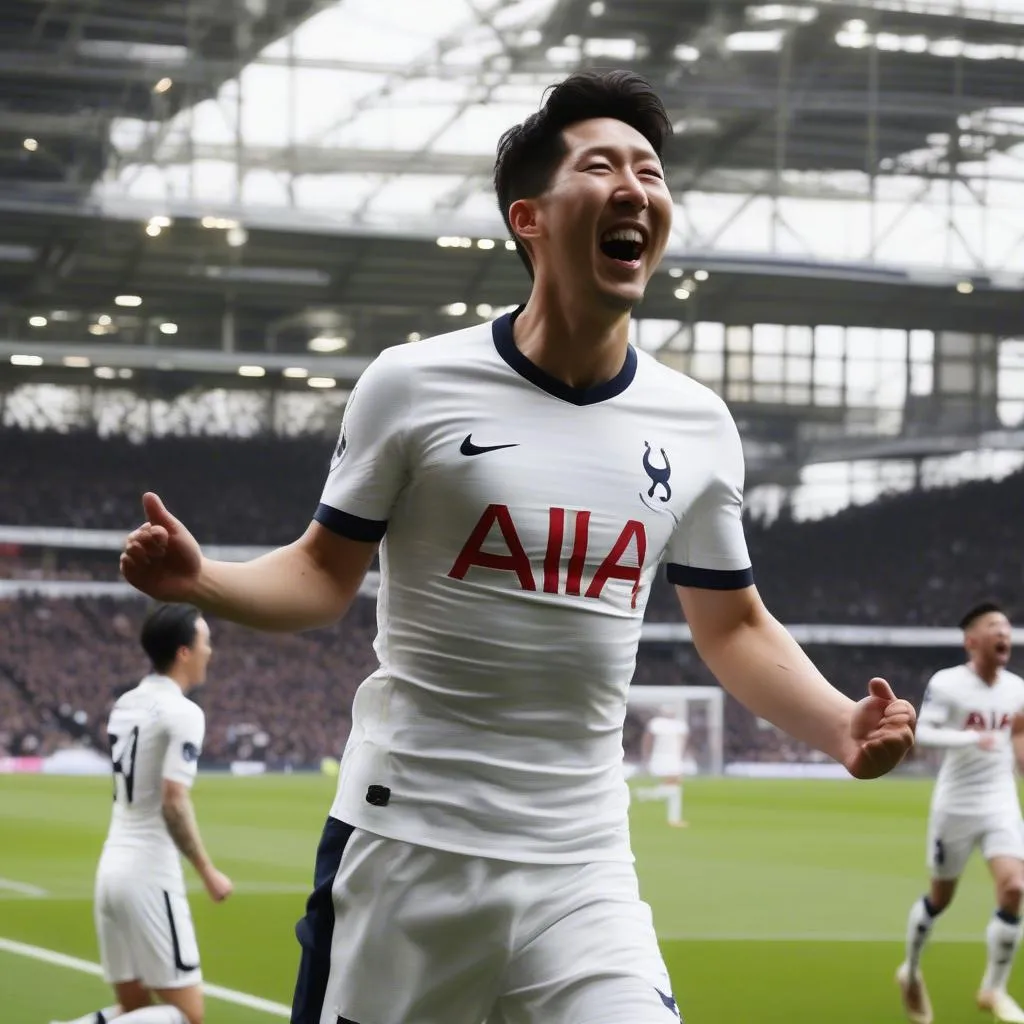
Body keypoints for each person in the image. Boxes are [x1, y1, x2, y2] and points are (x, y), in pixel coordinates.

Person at [119, 70, 916, 1024]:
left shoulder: (697, 423)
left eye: (652, 172)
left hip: (584, 865)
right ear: (529, 217)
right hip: (410, 847)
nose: (636, 188)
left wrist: (838, 725)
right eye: (602, 165)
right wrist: (203, 579)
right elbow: (322, 576)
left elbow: (734, 624)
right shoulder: (411, 385)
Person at [51, 604, 233, 1024]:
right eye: (206, 642)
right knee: (186, 1017)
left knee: (133, 1010)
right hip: (150, 873)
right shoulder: (184, 713)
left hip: (111, 870)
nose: (211, 651)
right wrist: (207, 871)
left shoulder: (125, 704)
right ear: (184, 652)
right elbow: (173, 799)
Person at [897, 601, 1024, 1024]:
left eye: (1006, 628)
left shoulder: (1016, 687)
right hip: (956, 802)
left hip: (1000, 798)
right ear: (972, 641)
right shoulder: (948, 684)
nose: (1004, 633)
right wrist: (971, 740)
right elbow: (924, 733)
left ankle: (993, 988)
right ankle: (911, 972)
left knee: (1014, 888)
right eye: (994, 627)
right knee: (941, 898)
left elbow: (1018, 730)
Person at [633, 706, 691, 827]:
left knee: (674, 788)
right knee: (674, 787)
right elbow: (648, 741)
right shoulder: (660, 724)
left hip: (671, 758)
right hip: (663, 758)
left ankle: (673, 818)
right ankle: (644, 795)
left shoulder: (672, 724)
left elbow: (647, 741)